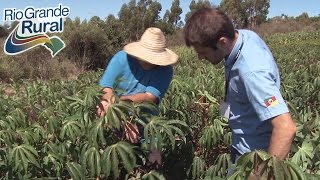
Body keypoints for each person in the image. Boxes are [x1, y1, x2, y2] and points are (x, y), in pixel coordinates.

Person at [184, 7, 297, 175]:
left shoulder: (252, 73)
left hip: (254, 158)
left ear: (222, 42)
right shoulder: (242, 37)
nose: (200, 57)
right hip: (242, 145)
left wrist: (261, 174)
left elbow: (286, 128)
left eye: (203, 52)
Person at [97, 27, 178, 167]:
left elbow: (149, 97)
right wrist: (121, 116)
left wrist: (120, 104)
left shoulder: (165, 70)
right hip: (114, 116)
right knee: (114, 164)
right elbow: (106, 88)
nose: (150, 62)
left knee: (153, 163)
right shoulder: (122, 59)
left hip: (147, 123)